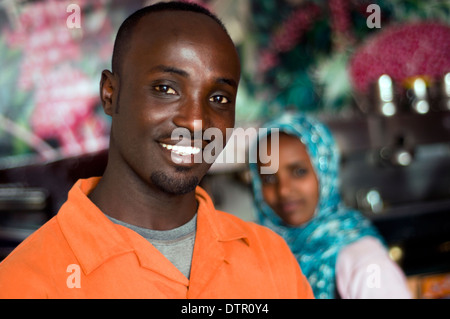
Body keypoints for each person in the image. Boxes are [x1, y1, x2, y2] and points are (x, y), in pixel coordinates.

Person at [0, 2, 314, 299]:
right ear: (110, 94)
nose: (195, 122)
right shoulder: (25, 281)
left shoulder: (271, 258)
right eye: (166, 89)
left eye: (219, 98)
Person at [249, 112, 412, 299]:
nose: (284, 190)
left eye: (299, 172)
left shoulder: (364, 261)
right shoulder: (257, 255)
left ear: (325, 170)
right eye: (269, 178)